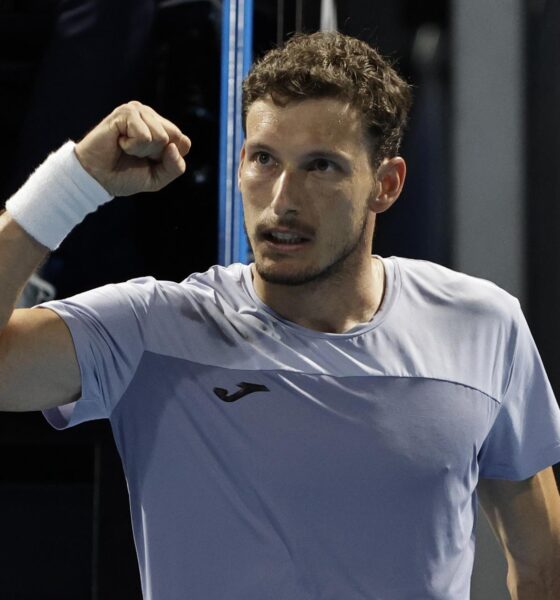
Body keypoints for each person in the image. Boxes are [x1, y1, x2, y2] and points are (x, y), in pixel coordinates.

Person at [0, 32, 559, 600]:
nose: (282, 200)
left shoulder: (483, 325)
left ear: (385, 186)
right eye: (264, 159)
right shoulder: (150, 328)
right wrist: (72, 182)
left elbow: (542, 569)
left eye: (321, 166)